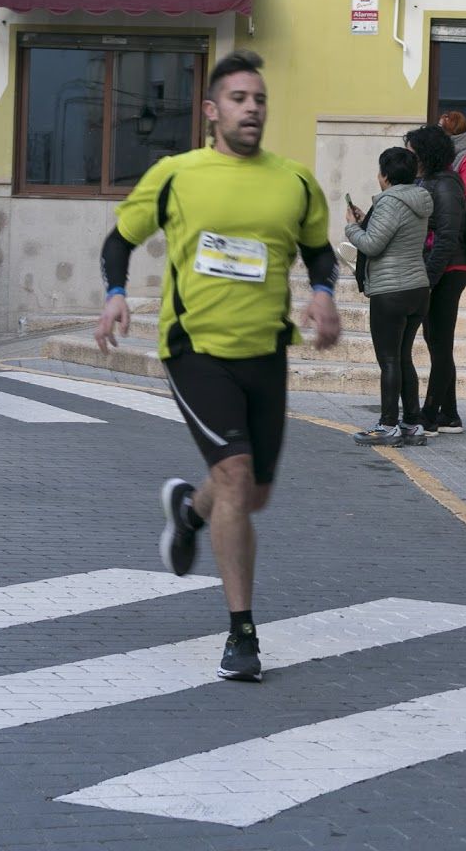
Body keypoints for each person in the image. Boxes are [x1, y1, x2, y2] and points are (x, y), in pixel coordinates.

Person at [94, 49, 340, 683]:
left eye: (259, 99)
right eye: (238, 99)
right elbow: (119, 238)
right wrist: (116, 295)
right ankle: (242, 633)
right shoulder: (177, 174)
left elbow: (319, 253)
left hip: (266, 350)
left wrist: (323, 295)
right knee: (234, 476)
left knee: (251, 493)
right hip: (195, 348)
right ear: (211, 111)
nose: (251, 108)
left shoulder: (294, 181)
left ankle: (190, 512)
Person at [344, 147, 432, 446]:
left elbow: (371, 245)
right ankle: (412, 423)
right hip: (417, 287)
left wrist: (352, 227)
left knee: (390, 360)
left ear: (385, 175)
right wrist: (366, 220)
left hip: (391, 290)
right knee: (404, 356)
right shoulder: (419, 200)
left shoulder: (389, 202)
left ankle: (388, 424)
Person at [406, 124, 466, 436]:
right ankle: (450, 414)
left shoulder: (445, 184)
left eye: (412, 150)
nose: (409, 155)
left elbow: (447, 237)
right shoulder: (430, 180)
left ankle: (430, 414)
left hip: (448, 270)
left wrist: (428, 279)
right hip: (437, 269)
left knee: (440, 343)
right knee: (436, 341)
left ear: (425, 153)